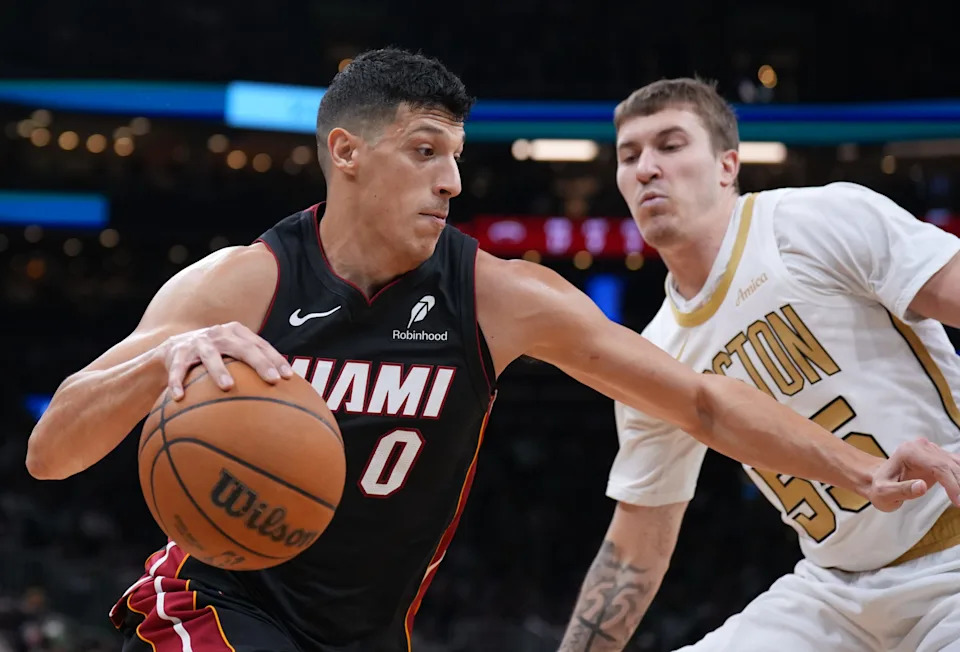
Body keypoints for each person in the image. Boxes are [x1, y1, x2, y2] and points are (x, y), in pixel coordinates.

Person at [26, 51, 960, 652]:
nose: (455, 178)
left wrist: (860, 469)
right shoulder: (241, 283)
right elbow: (51, 449)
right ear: (347, 153)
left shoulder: (500, 295)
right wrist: (166, 358)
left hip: (369, 631)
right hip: (223, 604)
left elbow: (705, 404)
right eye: (427, 151)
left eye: (458, 154)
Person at [559, 77, 960, 652]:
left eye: (670, 145)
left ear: (727, 165)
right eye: (629, 155)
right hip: (834, 592)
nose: (646, 167)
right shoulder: (654, 350)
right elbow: (638, 543)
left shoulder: (817, 220)